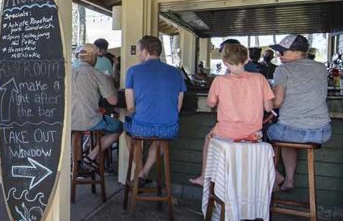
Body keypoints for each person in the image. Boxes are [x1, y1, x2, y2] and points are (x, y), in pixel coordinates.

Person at [189, 43, 274, 186]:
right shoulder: (260, 79)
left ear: (224, 62)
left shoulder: (220, 81)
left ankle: (205, 177)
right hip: (253, 135)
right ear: (246, 60)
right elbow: (268, 107)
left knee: (208, 139)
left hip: (225, 134)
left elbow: (210, 103)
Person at [267, 34, 332, 191]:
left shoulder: (282, 70)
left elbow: (277, 102)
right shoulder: (321, 68)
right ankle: (289, 180)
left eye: (282, 52)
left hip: (291, 132)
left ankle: (275, 175)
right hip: (322, 132)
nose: (278, 55)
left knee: (258, 134)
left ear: (296, 52)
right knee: (288, 137)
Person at [125, 36, 186, 183]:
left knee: (128, 131)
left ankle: (139, 170)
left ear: (145, 51)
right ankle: (144, 172)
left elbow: (130, 106)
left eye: (139, 51)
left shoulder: (133, 71)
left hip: (141, 129)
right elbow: (178, 107)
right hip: (169, 130)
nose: (138, 54)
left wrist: (142, 112)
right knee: (160, 139)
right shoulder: (177, 72)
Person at [71, 44, 121, 172]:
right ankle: (91, 156)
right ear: (93, 57)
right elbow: (113, 100)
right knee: (119, 127)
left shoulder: (67, 71)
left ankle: (75, 162)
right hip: (90, 121)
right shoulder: (97, 73)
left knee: (75, 132)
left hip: (68, 123)